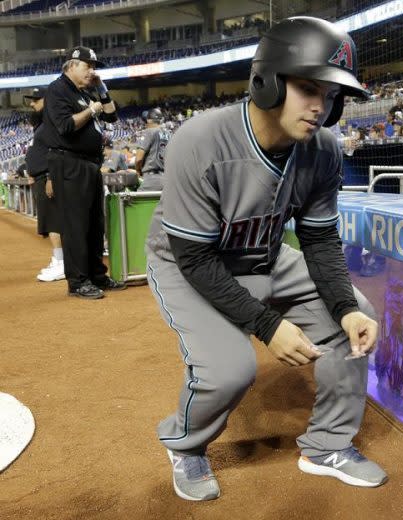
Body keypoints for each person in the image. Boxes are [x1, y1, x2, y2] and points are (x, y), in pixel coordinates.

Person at [145, 16, 386, 502]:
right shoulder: (200, 140)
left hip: (268, 255)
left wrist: (345, 306)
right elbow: (194, 259)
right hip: (189, 263)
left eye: (332, 94)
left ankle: (327, 446)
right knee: (231, 369)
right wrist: (267, 325)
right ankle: (186, 445)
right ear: (268, 81)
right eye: (307, 88)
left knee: (355, 318)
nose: (321, 106)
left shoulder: (322, 149)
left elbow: (319, 241)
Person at [41, 46, 125, 299]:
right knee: (76, 224)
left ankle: (97, 275)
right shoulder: (57, 89)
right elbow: (66, 126)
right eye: (87, 66)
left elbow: (112, 118)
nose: (92, 70)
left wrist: (101, 89)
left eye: (94, 66)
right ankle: (78, 282)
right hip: (69, 163)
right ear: (71, 65)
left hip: (89, 163)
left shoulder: (86, 91)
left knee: (94, 223)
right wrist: (92, 110)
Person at [24, 87, 65, 282]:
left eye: (35, 99)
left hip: (48, 177)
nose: (32, 103)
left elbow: (55, 151)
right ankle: (59, 260)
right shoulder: (42, 123)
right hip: (40, 177)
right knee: (50, 220)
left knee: (53, 220)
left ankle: (61, 263)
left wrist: (50, 176)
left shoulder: (50, 122)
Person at [135, 108, 171, 190]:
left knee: (136, 201)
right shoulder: (169, 134)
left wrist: (137, 171)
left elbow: (138, 159)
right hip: (167, 179)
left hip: (151, 179)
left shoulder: (149, 131)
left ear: (149, 120)